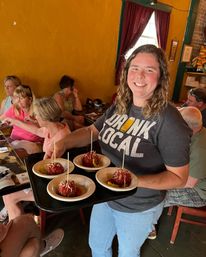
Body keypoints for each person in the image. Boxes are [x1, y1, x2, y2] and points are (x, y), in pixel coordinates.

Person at [46, 44, 191, 257]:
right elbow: (91, 131)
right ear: (126, 72)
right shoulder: (121, 105)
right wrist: (63, 143)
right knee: (97, 246)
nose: (140, 75)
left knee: (127, 253)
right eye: (135, 67)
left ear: (160, 77)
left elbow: (179, 178)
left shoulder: (169, 121)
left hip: (138, 205)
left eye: (149, 70)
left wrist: (133, 180)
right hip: (104, 193)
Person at [2, 97, 71, 221]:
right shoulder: (54, 128)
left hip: (52, 186)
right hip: (44, 177)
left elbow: (52, 173)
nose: (35, 117)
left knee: (9, 195)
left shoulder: (62, 138)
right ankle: (17, 217)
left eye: (37, 115)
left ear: (45, 118)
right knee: (7, 184)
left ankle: (19, 232)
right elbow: (36, 130)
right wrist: (14, 121)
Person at [148, 106, 206, 240]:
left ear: (186, 127)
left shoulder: (201, 149)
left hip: (198, 192)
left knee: (156, 194)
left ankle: (149, 228)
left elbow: (189, 183)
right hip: (188, 179)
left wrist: (159, 182)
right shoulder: (196, 132)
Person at [0, 85, 43, 154]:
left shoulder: (37, 110)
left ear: (30, 99)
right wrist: (4, 124)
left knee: (13, 148)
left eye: (21, 98)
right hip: (14, 140)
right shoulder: (14, 109)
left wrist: (33, 121)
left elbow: (40, 130)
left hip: (32, 143)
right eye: (16, 97)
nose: (18, 100)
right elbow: (1, 119)